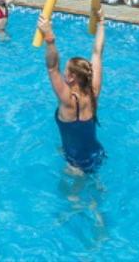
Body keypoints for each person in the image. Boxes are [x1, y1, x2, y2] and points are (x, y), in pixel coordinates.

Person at [37, 12, 106, 174]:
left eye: (66, 70)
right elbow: (97, 52)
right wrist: (101, 22)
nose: (63, 73)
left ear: (72, 77)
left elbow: (52, 68)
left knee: (70, 197)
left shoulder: (68, 100)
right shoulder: (93, 92)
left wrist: (49, 37)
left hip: (75, 163)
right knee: (94, 192)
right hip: (97, 152)